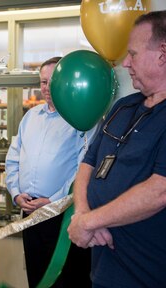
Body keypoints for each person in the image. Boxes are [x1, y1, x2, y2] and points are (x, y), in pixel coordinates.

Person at [68, 11, 166, 288]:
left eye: (133, 54)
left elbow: (160, 191)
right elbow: (88, 163)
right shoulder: (123, 107)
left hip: (149, 274)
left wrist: (88, 223)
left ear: (163, 54)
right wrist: (82, 214)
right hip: (104, 271)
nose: (125, 62)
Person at [5, 57, 96, 287]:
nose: (47, 88)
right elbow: (13, 158)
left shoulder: (80, 119)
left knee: (66, 279)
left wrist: (53, 201)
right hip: (30, 215)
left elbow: (82, 169)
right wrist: (16, 193)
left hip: (62, 215)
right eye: (43, 82)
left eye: (53, 81)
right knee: (36, 277)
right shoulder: (30, 117)